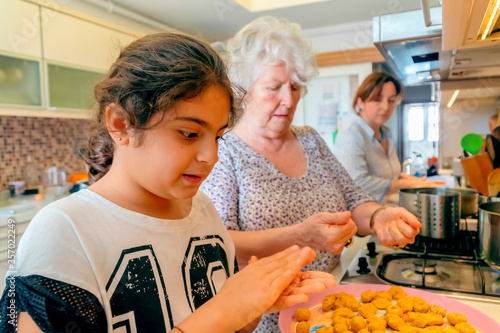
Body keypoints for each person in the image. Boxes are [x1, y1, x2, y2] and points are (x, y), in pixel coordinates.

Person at [0, 32, 336, 333]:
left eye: (218, 136)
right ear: (120, 123)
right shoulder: (64, 231)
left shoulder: (204, 213)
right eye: (189, 133)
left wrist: (249, 308)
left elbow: (223, 324)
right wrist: (221, 314)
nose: (211, 156)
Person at [200, 16, 422, 333]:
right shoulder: (226, 152)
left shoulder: (310, 140)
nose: (288, 100)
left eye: (294, 86)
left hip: (327, 307)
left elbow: (353, 198)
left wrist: (378, 218)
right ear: (244, 90)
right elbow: (220, 243)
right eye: (273, 87)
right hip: (265, 319)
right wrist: (300, 236)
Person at [334, 72, 445, 203]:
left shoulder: (385, 132)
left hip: (388, 210)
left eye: (391, 100)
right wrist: (410, 185)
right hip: (365, 218)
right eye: (377, 100)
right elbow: (358, 182)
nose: (386, 107)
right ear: (361, 102)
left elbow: (392, 175)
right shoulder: (351, 134)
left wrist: (420, 182)